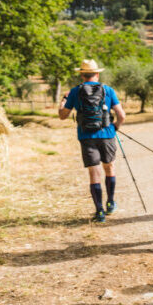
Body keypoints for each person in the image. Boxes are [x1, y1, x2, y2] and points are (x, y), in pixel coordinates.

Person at [59, 59, 127, 223]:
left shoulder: (75, 92)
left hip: (86, 136)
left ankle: (100, 212)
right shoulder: (108, 90)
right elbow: (122, 115)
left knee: (94, 173)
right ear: (97, 74)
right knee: (109, 167)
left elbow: (62, 116)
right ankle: (110, 203)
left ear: (81, 75)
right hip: (107, 134)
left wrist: (63, 99)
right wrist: (115, 127)